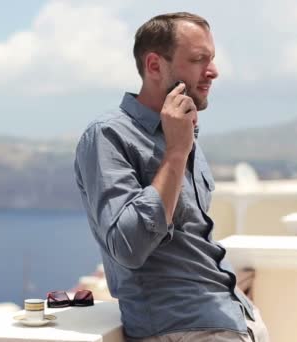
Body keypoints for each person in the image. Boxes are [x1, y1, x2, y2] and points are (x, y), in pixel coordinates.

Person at [73, 12, 270, 342]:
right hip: (183, 328)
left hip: (235, 316)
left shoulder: (182, 132)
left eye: (212, 59)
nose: (213, 71)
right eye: (198, 60)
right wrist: (176, 153)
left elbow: (194, 240)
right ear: (154, 66)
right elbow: (128, 246)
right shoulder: (108, 136)